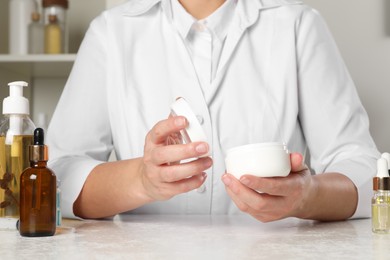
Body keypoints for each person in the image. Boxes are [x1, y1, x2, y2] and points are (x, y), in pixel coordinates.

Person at [47, 0, 380, 221]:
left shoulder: (296, 24)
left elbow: (367, 171)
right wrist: (142, 180)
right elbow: (56, 178)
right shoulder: (113, 31)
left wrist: (307, 196)